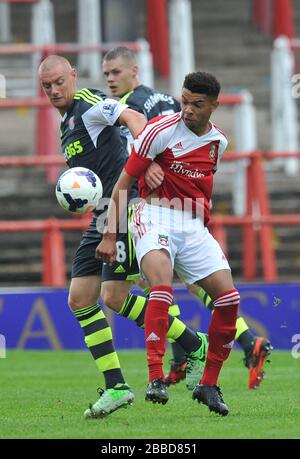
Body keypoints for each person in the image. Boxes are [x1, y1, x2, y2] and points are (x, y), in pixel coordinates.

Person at [38, 55, 207, 418]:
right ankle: (123, 382)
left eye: (58, 82)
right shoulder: (66, 123)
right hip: (103, 213)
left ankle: (187, 348)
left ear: (72, 76)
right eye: (46, 86)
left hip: (124, 208)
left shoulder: (90, 104)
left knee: (108, 297)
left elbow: (135, 119)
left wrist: (151, 162)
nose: (53, 90)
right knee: (86, 299)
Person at [102, 46, 272, 390]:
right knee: (157, 285)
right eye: (106, 74)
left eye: (115, 73)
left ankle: (199, 359)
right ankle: (168, 366)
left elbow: (165, 152)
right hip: (150, 212)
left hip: (187, 220)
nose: (109, 80)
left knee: (143, 291)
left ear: (134, 71)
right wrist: (111, 226)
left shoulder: (151, 109)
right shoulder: (165, 115)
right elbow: (143, 157)